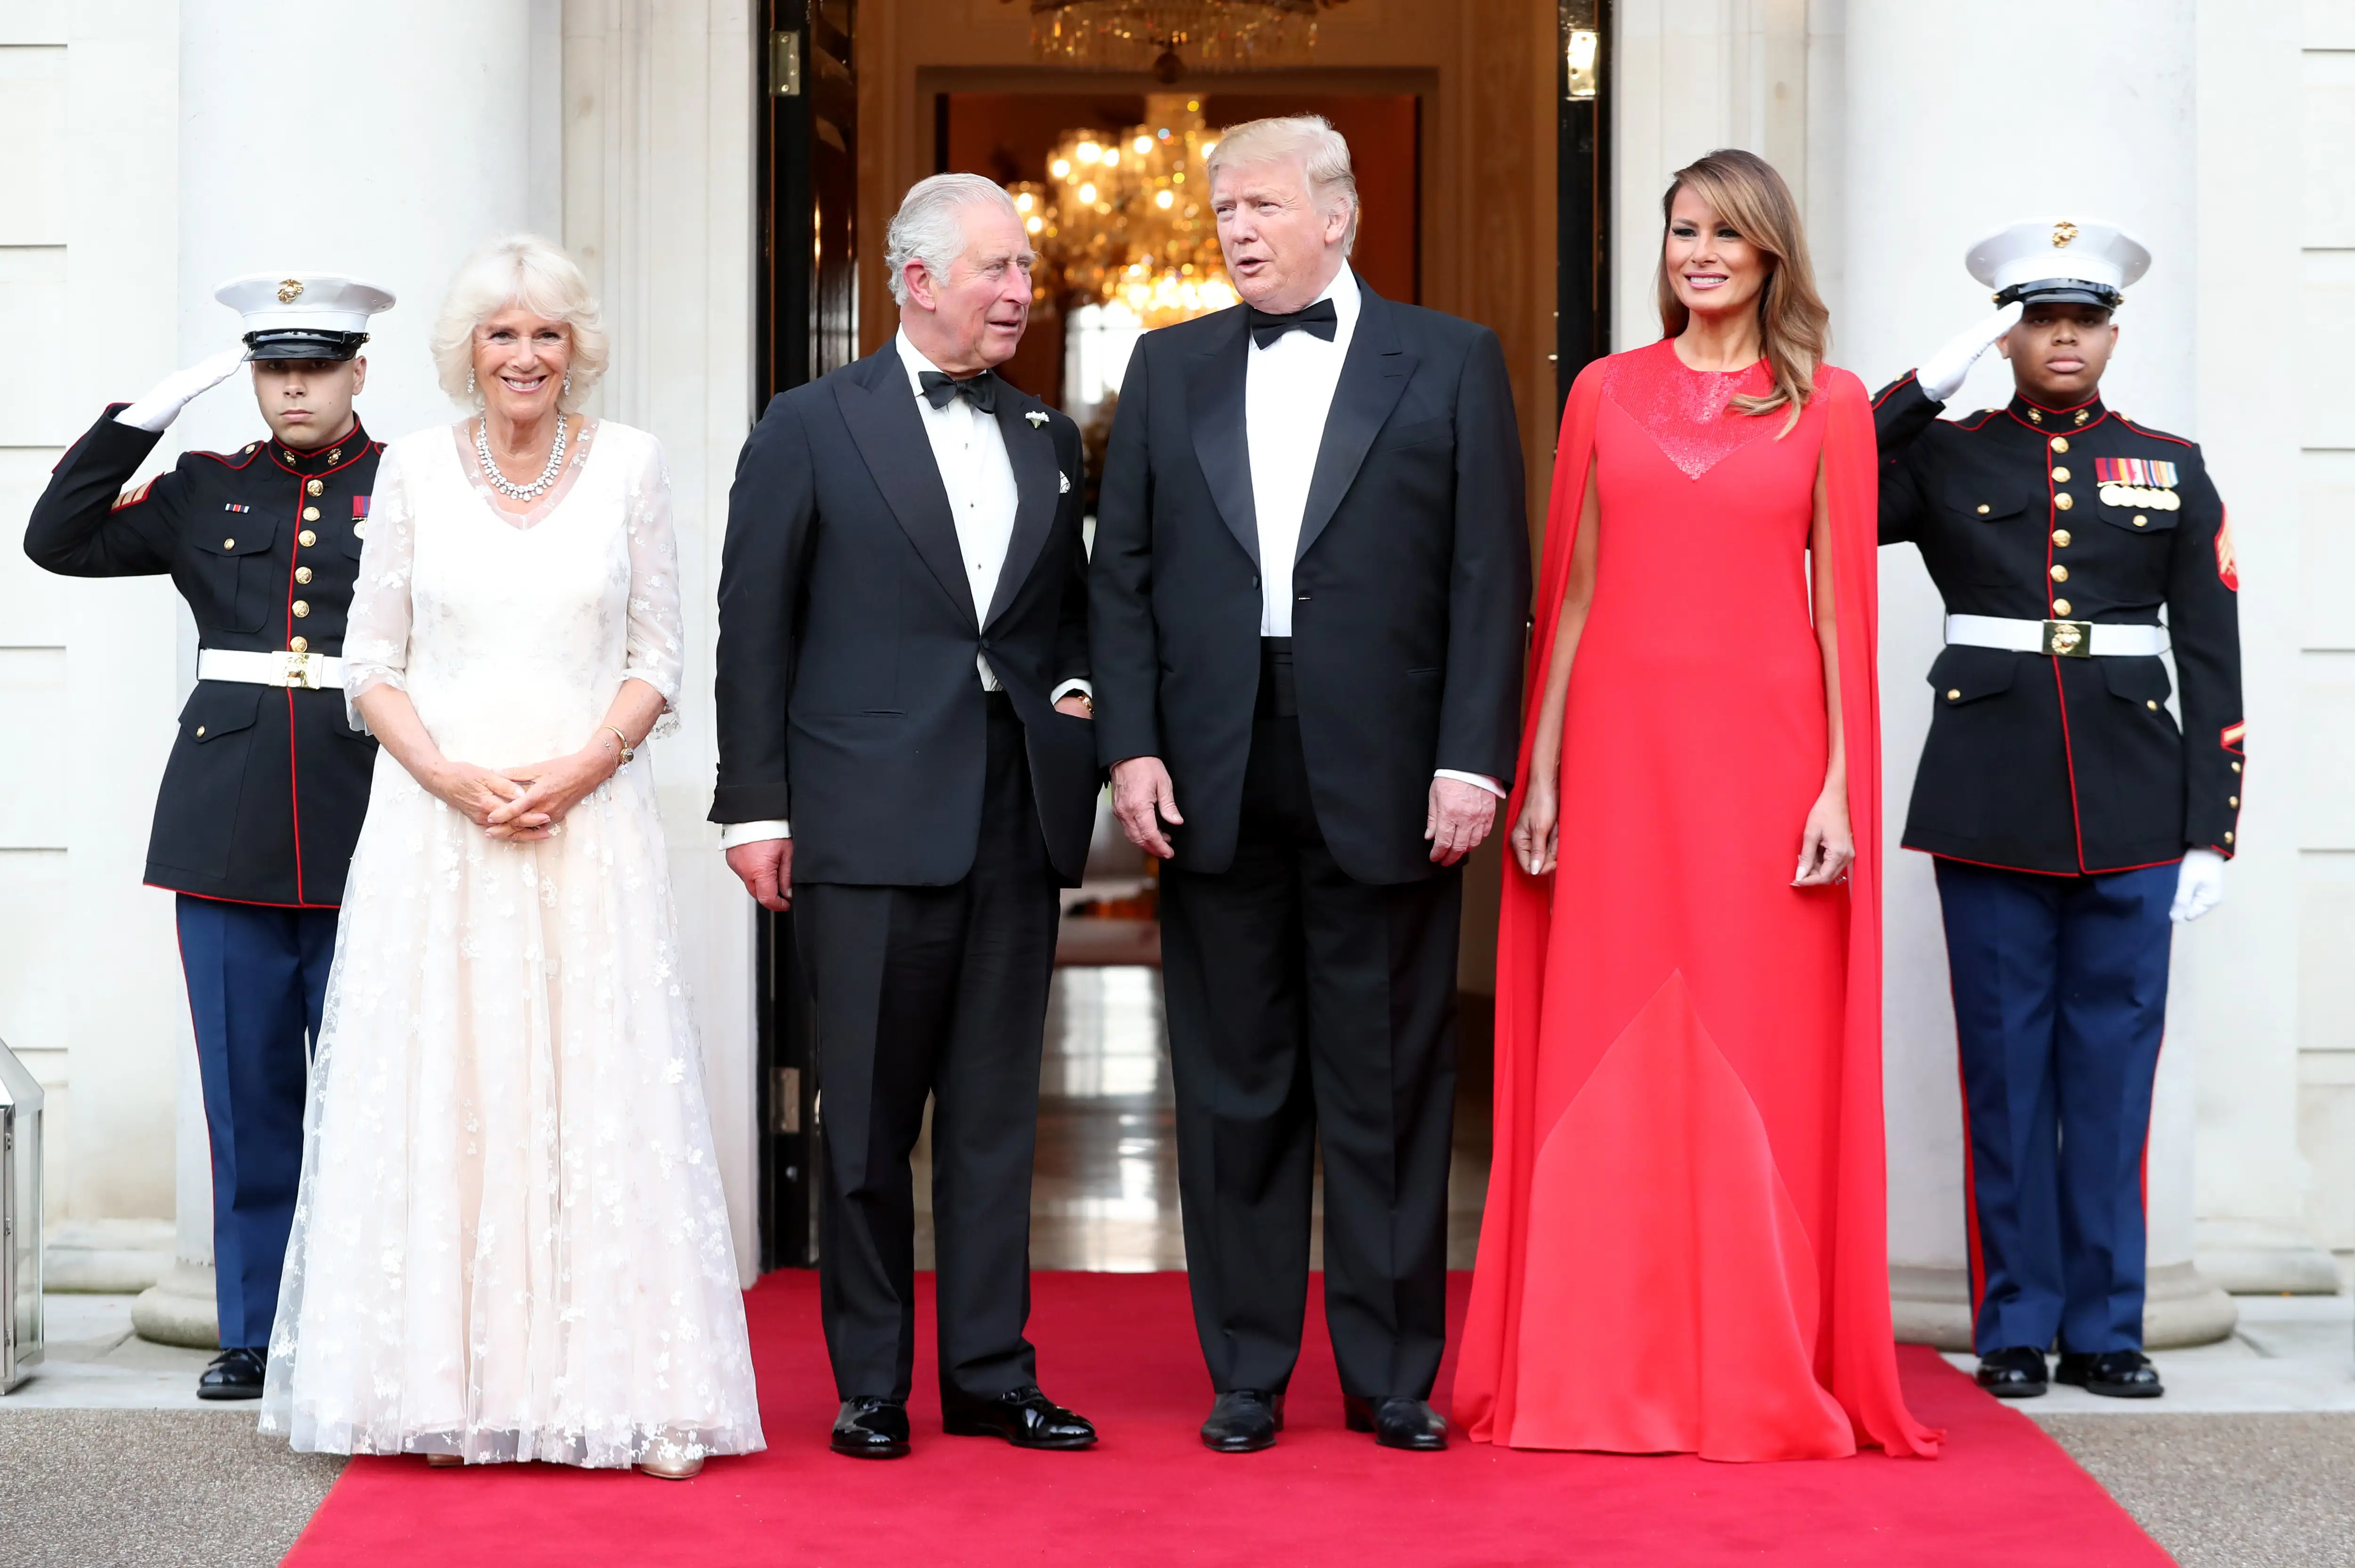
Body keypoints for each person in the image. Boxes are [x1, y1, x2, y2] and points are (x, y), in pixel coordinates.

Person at [1454, 149, 1940, 1461]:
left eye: (1726, 233)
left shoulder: (1830, 403)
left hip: (1767, 767)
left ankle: (1752, 1366)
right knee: (1604, 1023)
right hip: (1617, 758)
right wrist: (1541, 767)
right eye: (1683, 232)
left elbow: (1840, 611)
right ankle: (1593, 1365)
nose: (1701, 254)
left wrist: (1839, 783)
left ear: (1771, 251)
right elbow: (1572, 594)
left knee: (1756, 1039)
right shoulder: (1602, 392)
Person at [257, 236, 763, 1479]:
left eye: (546, 333)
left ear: (576, 346)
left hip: (588, 827)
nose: (525, 355)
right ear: (467, 350)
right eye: (501, 334)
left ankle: (632, 1395)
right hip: (441, 831)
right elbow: (371, 663)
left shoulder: (632, 462)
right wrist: (446, 775)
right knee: (455, 1092)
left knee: (599, 1095)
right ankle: (445, 1389)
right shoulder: (415, 471)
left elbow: (658, 654)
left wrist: (585, 765)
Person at [1090, 116, 1530, 1455]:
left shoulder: (1449, 359)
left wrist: (1471, 759)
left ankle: (1392, 1373)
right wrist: (1130, 743)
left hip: (1393, 772)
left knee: (1386, 1080)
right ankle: (1247, 1371)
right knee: (1233, 1085)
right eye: (1224, 207)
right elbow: (1124, 577)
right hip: (1211, 766)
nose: (1236, 228)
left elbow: (1488, 576)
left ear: (1336, 216)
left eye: (1263, 205)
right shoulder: (1166, 367)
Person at [712, 174, 1100, 1461]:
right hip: (863, 815)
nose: (1021, 291)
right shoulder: (809, 425)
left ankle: (991, 1374)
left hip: (1015, 807)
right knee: (870, 1124)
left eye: (1027, 270)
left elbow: (1063, 618)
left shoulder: (1047, 432)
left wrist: (1080, 707)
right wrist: (753, 807)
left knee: (995, 1120)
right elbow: (755, 629)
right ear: (919, 280)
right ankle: (871, 1383)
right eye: (998, 269)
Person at [1872, 220, 2241, 1402]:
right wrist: (1924, 387)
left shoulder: (2169, 464)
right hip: (1987, 801)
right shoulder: (1947, 455)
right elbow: (1821, 492)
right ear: (2008, 334)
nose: (2064, 337)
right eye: (2040, 319)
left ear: (2113, 335)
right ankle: (2017, 1323)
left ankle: (2106, 1327)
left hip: (2136, 807)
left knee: (2112, 1082)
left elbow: (2211, 656)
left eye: (2084, 319)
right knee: (2005, 1076)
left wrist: (2209, 829)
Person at [24, 274, 394, 1401]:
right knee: (247, 1094)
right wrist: (147, 414)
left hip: (378, 812)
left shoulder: (411, 485)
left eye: (316, 366)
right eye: (274, 367)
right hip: (226, 819)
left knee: (380, 1096)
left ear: (358, 371)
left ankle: (370, 1324)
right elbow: (57, 539)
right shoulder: (204, 488)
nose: (294, 387)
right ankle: (254, 1329)